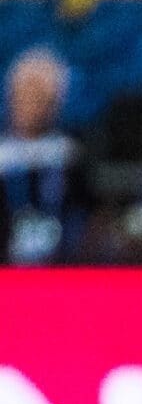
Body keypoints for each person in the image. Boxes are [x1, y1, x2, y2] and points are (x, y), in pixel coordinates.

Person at [0, 49, 100, 264]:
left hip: (60, 264)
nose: (30, 105)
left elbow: (87, 213)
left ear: (54, 102)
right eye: (24, 93)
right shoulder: (3, 154)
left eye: (39, 96)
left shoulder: (71, 155)